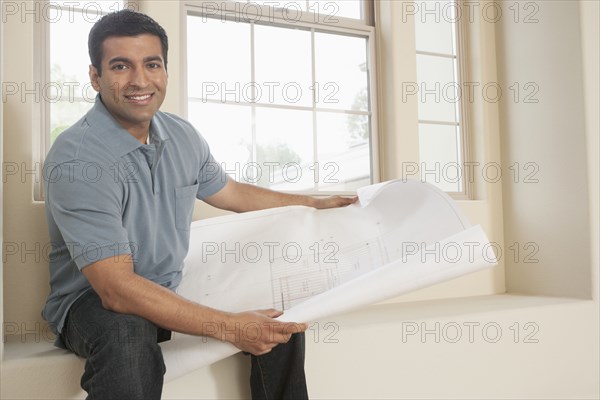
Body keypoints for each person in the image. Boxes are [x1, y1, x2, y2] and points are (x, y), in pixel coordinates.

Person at [41, 9, 356, 400]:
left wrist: (313, 204)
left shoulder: (181, 134)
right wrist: (232, 327)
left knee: (278, 312)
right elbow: (116, 290)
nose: (140, 80)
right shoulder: (78, 160)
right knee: (128, 333)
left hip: (170, 284)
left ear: (165, 71)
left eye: (151, 64)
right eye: (121, 66)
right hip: (90, 302)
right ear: (95, 77)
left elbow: (233, 193)